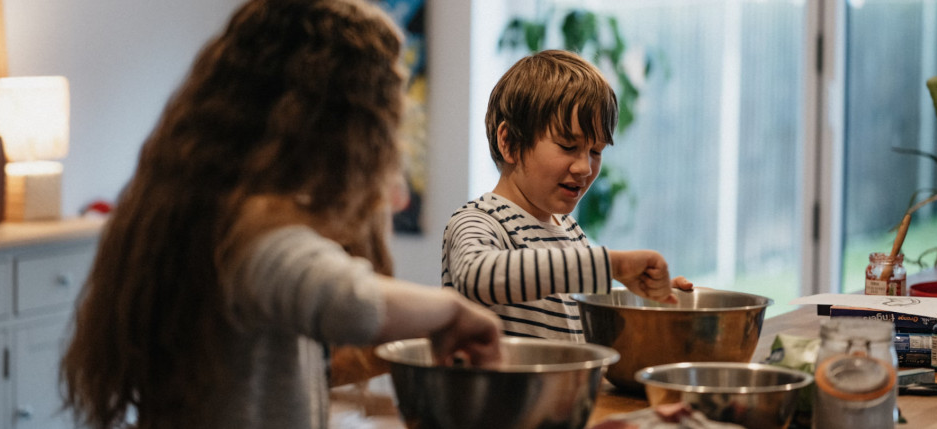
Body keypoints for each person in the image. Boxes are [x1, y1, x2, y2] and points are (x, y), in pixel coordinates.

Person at [60, 1, 502, 428]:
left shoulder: (202, 205)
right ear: (334, 127)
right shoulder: (250, 231)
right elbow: (350, 301)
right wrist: (452, 311)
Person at [441, 50, 691, 342]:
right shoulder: (479, 221)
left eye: (595, 151)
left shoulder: (571, 231)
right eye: (568, 146)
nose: (585, 167)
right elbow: (477, 276)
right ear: (509, 142)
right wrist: (613, 265)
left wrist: (647, 297)